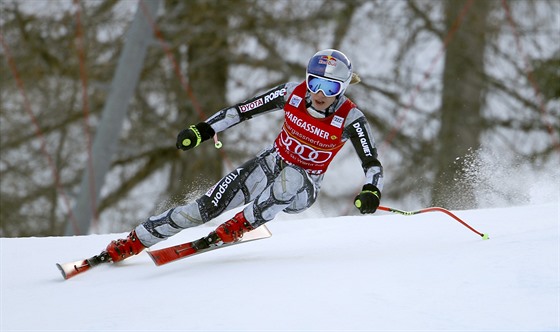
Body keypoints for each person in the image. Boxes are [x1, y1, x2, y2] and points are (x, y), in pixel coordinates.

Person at [105, 49, 384, 262]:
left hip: (304, 185)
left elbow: (371, 162)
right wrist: (204, 130)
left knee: (293, 176)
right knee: (203, 208)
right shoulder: (292, 93)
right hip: (271, 162)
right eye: (315, 83)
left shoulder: (350, 118)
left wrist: (372, 190)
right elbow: (242, 110)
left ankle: (241, 224)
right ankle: (136, 240)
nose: (320, 94)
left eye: (331, 88)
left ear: (343, 88)